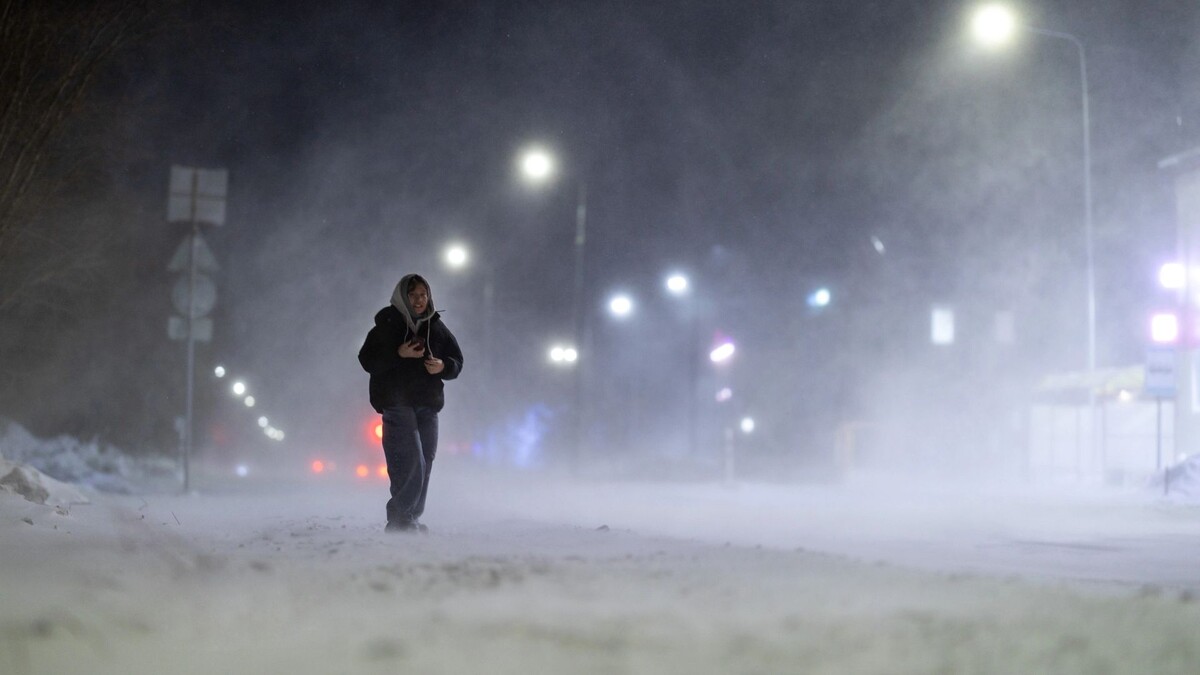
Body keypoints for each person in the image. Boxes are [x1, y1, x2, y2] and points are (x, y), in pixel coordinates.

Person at [358, 273, 463, 533]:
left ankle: (410, 517)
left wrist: (442, 366)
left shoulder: (436, 327)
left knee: (426, 459)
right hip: (396, 402)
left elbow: (456, 361)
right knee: (410, 458)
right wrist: (398, 353)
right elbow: (367, 360)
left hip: (428, 403)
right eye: (413, 295)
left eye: (423, 295)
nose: (418, 300)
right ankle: (400, 517)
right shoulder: (387, 325)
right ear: (402, 296)